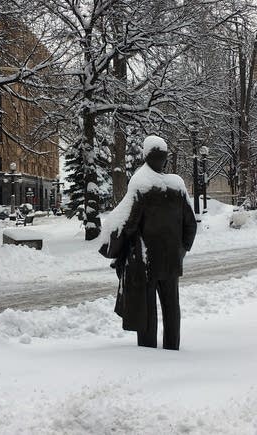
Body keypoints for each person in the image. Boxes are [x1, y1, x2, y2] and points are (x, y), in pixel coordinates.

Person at [99, 135, 197, 350]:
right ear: (164, 158)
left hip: (147, 262)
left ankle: (148, 350)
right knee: (172, 307)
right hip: (171, 261)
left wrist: (114, 245)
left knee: (148, 308)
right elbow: (191, 225)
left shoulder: (141, 184)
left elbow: (129, 222)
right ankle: (172, 346)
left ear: (146, 156)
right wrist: (181, 250)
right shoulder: (178, 186)